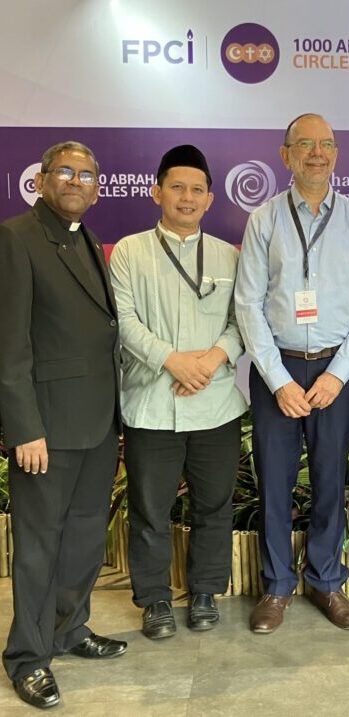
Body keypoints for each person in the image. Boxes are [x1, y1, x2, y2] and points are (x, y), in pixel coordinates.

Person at [235, 113, 349, 634]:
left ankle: (326, 580)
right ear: (286, 155)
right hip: (276, 367)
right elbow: (248, 303)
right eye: (305, 145)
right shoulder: (264, 220)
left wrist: (339, 374)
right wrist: (277, 379)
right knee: (273, 483)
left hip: (334, 372)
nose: (316, 153)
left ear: (336, 154)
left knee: (328, 480)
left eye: (326, 145)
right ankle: (276, 587)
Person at [0, 141, 126, 710]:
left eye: (87, 174)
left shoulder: (88, 241)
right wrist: (24, 427)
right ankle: (28, 657)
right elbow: (10, 348)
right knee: (37, 547)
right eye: (65, 172)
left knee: (80, 541)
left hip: (97, 423)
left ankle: (70, 629)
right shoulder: (16, 238)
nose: (76, 181)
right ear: (43, 179)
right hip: (47, 429)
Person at [109, 145, 246, 639]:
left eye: (196, 190)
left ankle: (206, 590)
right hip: (152, 405)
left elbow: (242, 322)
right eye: (177, 187)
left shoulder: (230, 255)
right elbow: (124, 321)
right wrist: (173, 361)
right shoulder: (128, 251)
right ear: (156, 192)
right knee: (150, 510)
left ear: (210, 199)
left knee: (214, 505)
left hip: (216, 404)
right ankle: (154, 600)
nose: (186, 198)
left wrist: (210, 360)